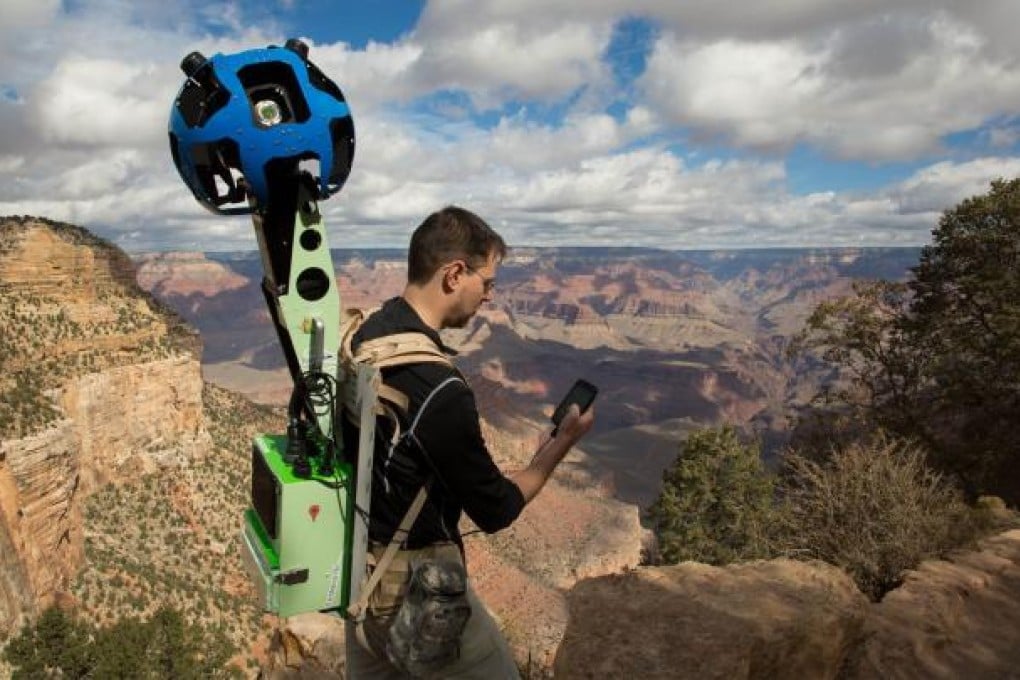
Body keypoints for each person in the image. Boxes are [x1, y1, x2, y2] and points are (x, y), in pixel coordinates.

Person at [343, 206, 595, 679]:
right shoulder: (439, 388)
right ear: (455, 273)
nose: (490, 296)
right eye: (488, 281)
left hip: (359, 581)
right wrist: (562, 444)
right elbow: (495, 508)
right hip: (413, 594)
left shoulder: (365, 333)